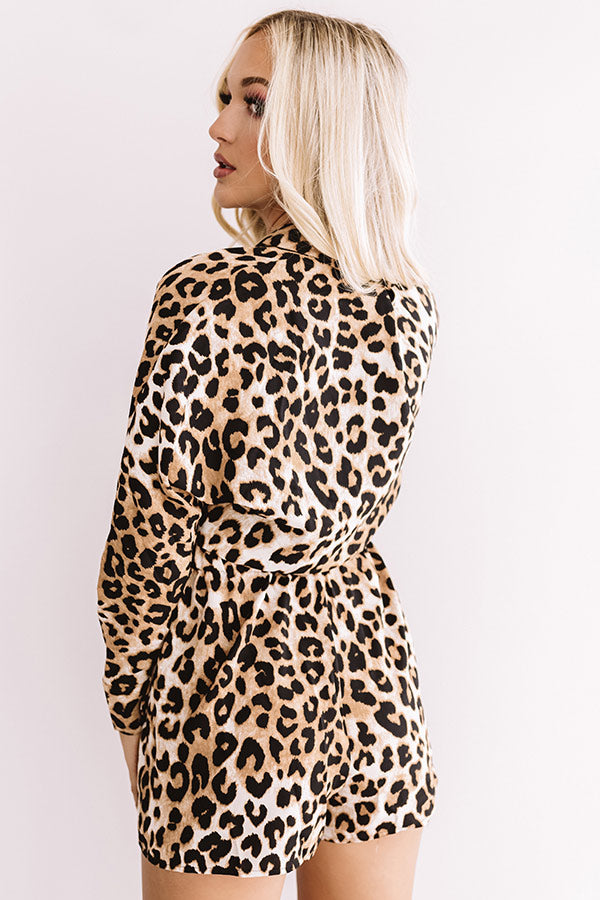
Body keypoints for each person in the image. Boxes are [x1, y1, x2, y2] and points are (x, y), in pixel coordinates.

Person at [96, 10, 440, 900]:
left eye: (253, 103)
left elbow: (147, 533)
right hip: (371, 679)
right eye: (225, 98)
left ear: (318, 126)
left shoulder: (204, 295)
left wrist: (133, 708)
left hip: (230, 689)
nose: (218, 125)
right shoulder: (405, 306)